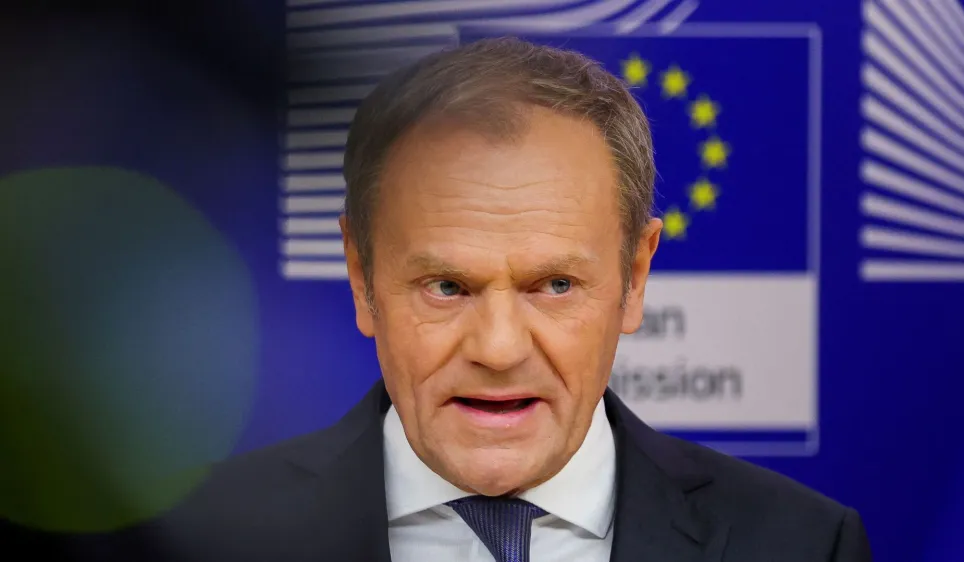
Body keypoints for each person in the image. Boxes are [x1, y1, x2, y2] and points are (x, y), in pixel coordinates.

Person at [142, 37, 871, 561]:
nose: (498, 349)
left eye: (554, 285)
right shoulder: (188, 538)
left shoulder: (804, 545)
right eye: (447, 287)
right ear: (362, 278)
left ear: (635, 278)